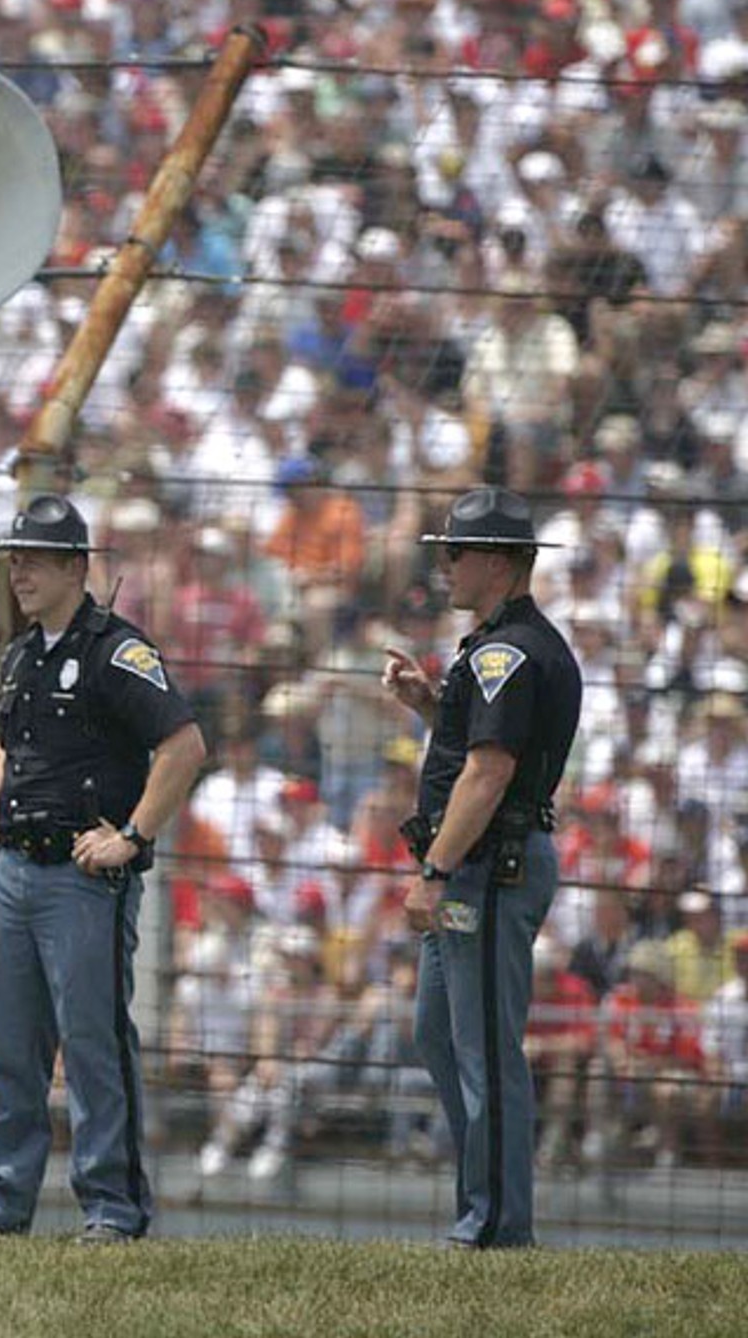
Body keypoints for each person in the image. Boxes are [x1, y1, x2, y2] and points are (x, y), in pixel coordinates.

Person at [0, 494, 208, 1244]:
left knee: (94, 1044)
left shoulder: (116, 651)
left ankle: (113, 1207)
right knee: (9, 1045)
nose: (19, 574)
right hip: (14, 867)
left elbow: (184, 746)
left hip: (80, 877)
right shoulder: (21, 652)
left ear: (75, 567)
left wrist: (132, 834)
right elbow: (7, 739)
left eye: (33, 560)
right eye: (14, 561)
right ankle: (1, 1202)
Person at [382, 486, 582, 1249]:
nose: (445, 567)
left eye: (456, 553)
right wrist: (432, 708)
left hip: (486, 868)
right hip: (479, 865)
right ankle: (484, 1205)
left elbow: (491, 773)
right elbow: (490, 747)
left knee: (486, 1054)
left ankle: (496, 1226)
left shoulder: (507, 651)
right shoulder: (502, 645)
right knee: (439, 1034)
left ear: (498, 561)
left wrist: (433, 871)